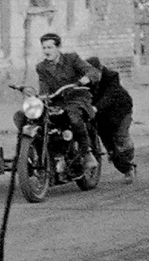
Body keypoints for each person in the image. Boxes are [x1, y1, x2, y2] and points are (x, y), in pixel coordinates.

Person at [16, 33, 101, 174]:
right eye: (44, 48)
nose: (46, 51)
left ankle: (87, 153)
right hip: (56, 101)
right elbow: (43, 87)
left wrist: (86, 78)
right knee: (23, 116)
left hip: (77, 98)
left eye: (49, 47)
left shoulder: (72, 59)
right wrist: (40, 97)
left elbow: (93, 71)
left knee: (73, 116)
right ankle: (35, 153)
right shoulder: (41, 67)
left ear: (58, 47)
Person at [85, 55, 136, 183]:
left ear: (100, 69)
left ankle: (129, 157)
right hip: (101, 117)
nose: (92, 77)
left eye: (95, 73)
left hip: (121, 112)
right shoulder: (85, 81)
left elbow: (110, 96)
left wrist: (95, 108)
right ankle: (127, 169)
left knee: (121, 138)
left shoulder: (111, 77)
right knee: (111, 148)